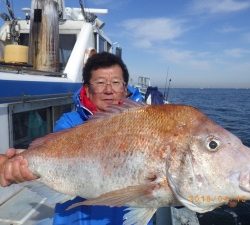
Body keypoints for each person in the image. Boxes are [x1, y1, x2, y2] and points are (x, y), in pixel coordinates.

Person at [0, 52, 150, 225]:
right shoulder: (70, 123)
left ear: (125, 88)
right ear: (87, 88)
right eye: (100, 82)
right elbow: (54, 160)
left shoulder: (145, 122)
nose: (109, 89)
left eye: (116, 82)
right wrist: (17, 166)